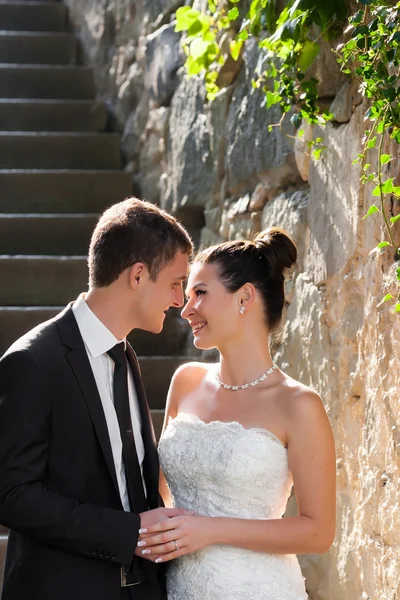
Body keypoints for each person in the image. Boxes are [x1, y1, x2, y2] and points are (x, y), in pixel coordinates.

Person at [0, 198, 194, 600]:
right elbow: (12, 494)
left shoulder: (126, 356)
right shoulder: (34, 360)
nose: (179, 300)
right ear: (138, 275)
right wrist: (129, 532)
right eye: (175, 282)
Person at [138, 227, 336, 600]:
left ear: (245, 297)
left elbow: (318, 532)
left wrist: (211, 530)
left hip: (258, 588)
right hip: (178, 588)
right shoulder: (186, 382)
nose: (186, 307)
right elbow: (158, 493)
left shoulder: (298, 405)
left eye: (200, 293)